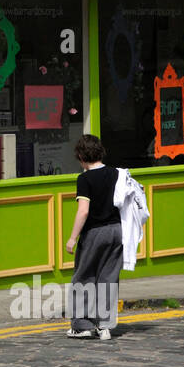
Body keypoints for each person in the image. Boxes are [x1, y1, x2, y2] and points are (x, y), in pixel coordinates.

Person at [64, 134, 122, 340]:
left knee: (84, 277)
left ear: (81, 156)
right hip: (117, 230)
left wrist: (72, 238)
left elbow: (83, 211)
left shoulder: (85, 179)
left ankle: (83, 325)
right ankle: (105, 326)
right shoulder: (116, 173)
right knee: (109, 278)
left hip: (95, 232)